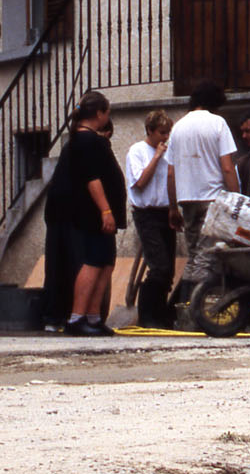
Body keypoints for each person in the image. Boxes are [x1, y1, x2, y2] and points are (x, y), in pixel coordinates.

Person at [166, 80, 239, 304]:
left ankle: (185, 307)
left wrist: (172, 207)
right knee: (209, 257)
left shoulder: (178, 127)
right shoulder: (217, 123)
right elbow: (227, 166)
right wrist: (237, 200)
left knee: (195, 255)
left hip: (187, 200)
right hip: (212, 199)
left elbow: (170, 173)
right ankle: (201, 309)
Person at [60, 91, 126, 336]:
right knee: (93, 262)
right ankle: (77, 317)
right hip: (93, 212)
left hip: (99, 213)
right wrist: (106, 210)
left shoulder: (90, 140)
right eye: (106, 113)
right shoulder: (86, 141)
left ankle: (94, 316)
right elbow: (92, 178)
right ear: (99, 114)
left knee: (106, 263)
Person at [125, 110, 175, 328]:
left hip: (165, 211)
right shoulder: (137, 151)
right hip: (146, 213)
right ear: (150, 131)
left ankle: (160, 314)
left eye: (168, 133)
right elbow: (140, 182)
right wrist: (156, 157)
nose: (165, 137)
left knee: (168, 269)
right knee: (158, 265)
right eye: (162, 133)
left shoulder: (169, 152)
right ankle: (147, 315)